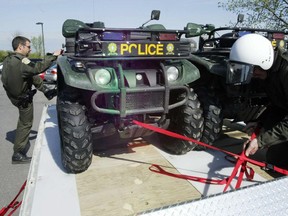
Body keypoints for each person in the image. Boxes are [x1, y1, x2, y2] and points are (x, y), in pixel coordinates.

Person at [228, 33, 288, 168]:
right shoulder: (269, 72)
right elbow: (279, 105)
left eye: (252, 70)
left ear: (262, 63)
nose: (252, 75)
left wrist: (260, 141)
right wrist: (261, 124)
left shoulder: (285, 71)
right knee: (277, 160)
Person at [1, 36, 62, 164]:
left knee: (31, 75)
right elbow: (38, 68)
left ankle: (47, 91)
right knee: (25, 123)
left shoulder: (8, 60)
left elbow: (8, 79)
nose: (30, 49)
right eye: (28, 46)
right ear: (20, 47)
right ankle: (17, 153)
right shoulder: (21, 62)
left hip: (15, 97)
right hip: (23, 100)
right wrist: (53, 56)